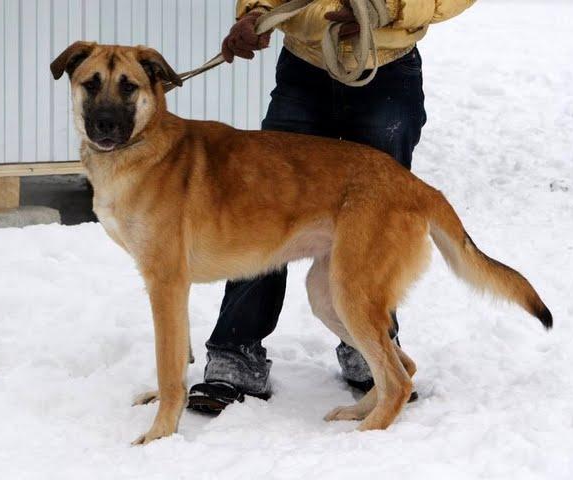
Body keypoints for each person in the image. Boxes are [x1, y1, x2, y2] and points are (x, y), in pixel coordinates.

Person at [188, 0, 476, 413]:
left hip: (386, 67)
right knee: (260, 210)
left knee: (378, 223)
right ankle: (235, 353)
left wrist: (387, 9)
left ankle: (372, 350)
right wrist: (256, 11)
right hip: (304, 70)